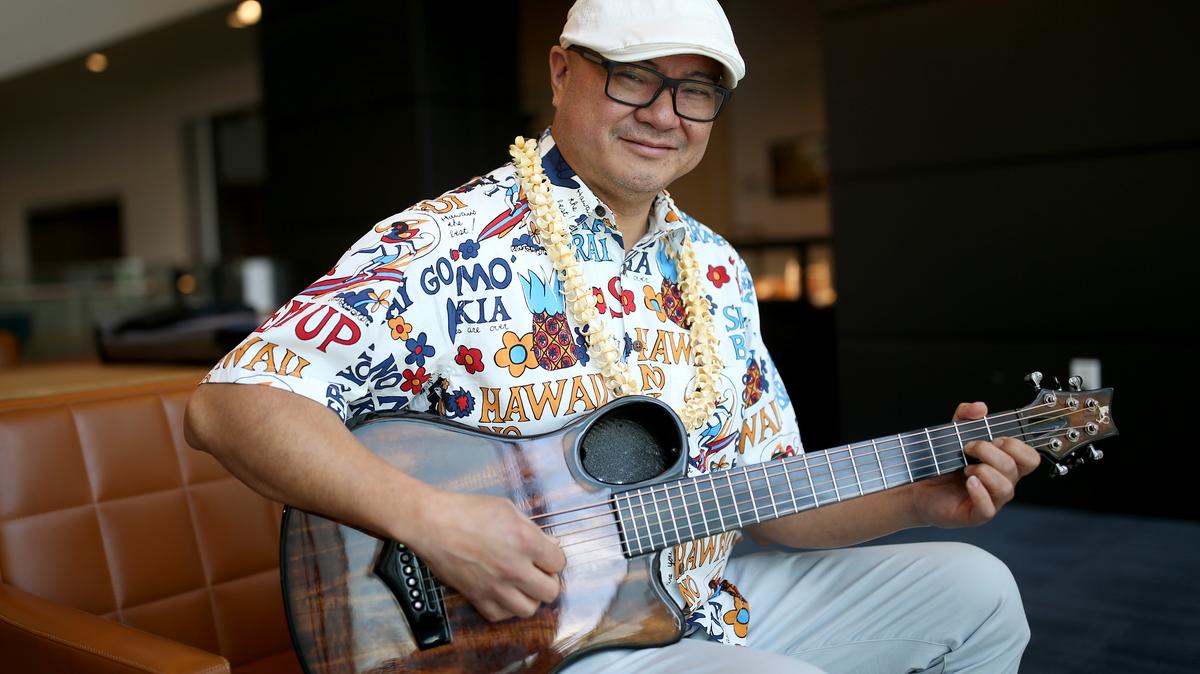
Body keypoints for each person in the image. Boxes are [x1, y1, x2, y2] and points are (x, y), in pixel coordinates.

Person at [185, 1, 1040, 671]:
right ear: (562, 73)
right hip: (537, 637)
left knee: (982, 591)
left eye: (696, 89)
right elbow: (233, 405)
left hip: (708, 590)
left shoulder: (715, 268)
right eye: (634, 77)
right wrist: (432, 519)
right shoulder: (446, 242)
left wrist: (917, 500)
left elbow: (770, 497)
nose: (665, 113)